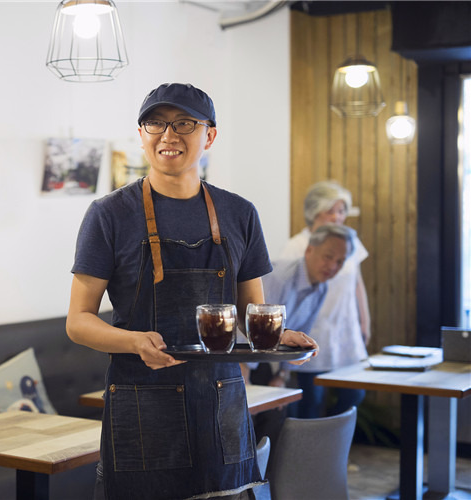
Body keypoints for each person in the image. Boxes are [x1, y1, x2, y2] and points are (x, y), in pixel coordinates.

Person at [66, 83, 318, 500]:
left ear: (209, 135)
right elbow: (78, 321)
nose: (169, 135)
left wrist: (277, 338)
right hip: (141, 404)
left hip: (221, 403)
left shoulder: (240, 213)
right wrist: (132, 340)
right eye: (156, 123)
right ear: (142, 134)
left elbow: (253, 309)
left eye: (184, 123)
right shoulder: (108, 215)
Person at [277, 181, 370, 418]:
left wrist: (364, 321)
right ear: (315, 212)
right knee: (313, 400)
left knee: (354, 395)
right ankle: (317, 449)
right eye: (331, 211)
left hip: (345, 327)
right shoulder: (297, 245)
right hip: (313, 329)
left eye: (341, 211)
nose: (337, 217)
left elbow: (357, 282)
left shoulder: (349, 240)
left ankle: (334, 444)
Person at [259, 224, 355, 424]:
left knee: (293, 407)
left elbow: (301, 334)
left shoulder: (321, 287)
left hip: (273, 359)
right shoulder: (279, 277)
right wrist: (246, 383)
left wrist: (282, 377)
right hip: (243, 355)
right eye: (328, 257)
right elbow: (253, 326)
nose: (333, 267)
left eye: (340, 261)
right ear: (309, 250)